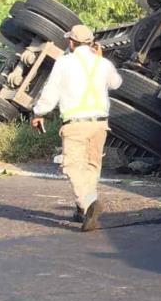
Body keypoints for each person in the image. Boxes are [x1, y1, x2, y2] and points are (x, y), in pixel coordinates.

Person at [31, 24, 122, 232]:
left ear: (71, 43)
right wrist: (101, 59)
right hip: (100, 123)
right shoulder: (103, 63)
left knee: (72, 166)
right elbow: (116, 83)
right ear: (91, 43)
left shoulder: (64, 63)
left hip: (75, 124)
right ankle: (83, 209)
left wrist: (39, 113)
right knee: (91, 166)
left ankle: (89, 202)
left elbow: (50, 92)